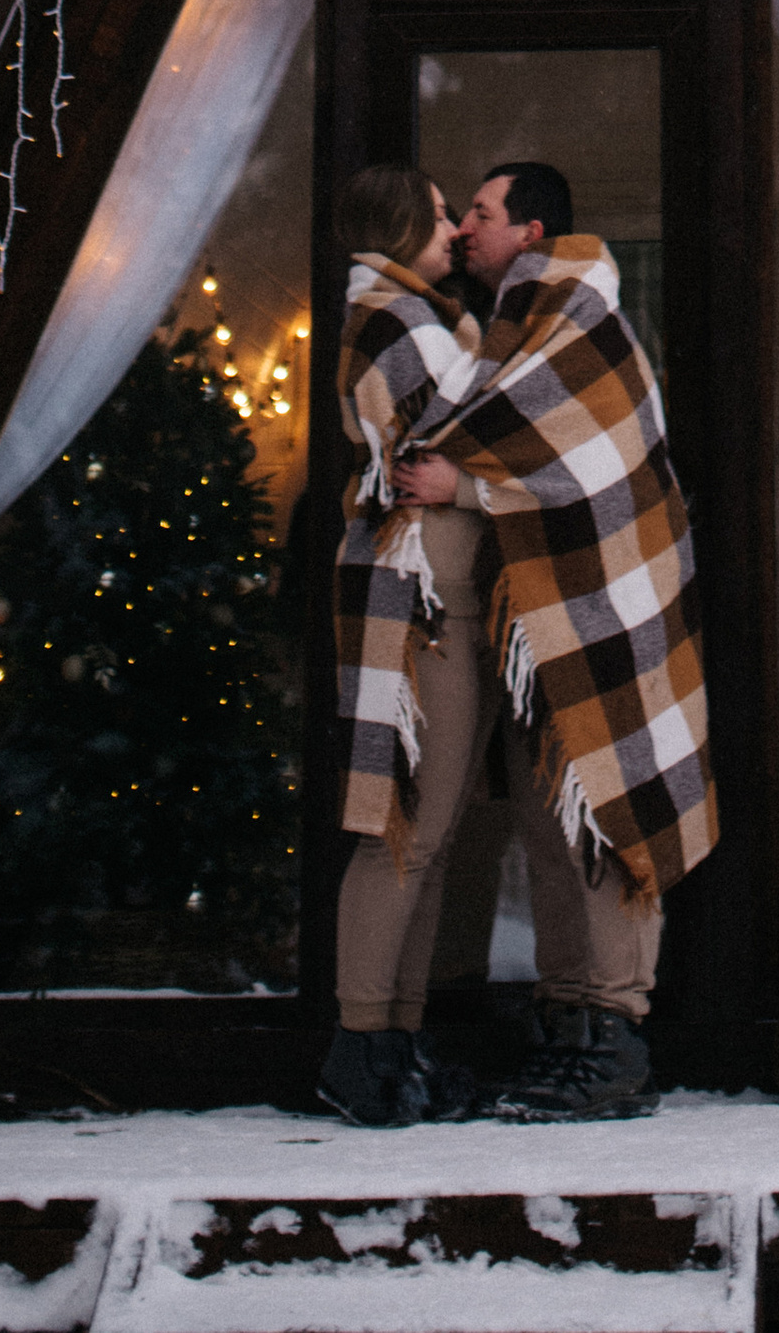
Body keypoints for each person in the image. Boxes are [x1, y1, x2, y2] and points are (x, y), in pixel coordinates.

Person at [387, 159, 717, 1121]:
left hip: (605, 607)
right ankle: (571, 1026)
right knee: (554, 822)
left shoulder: (576, 315)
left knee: (609, 817)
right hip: (547, 618)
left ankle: (616, 1042)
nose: (467, 232)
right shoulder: (518, 322)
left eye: (482, 215)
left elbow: (592, 469)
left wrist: (468, 489)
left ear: (529, 231)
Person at [322, 160, 491, 1127]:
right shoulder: (397, 321)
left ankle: (395, 1038)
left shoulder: (420, 316)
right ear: (397, 227)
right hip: (416, 593)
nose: (452, 230)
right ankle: (360, 1044)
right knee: (404, 831)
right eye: (437, 215)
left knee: (425, 835)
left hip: (439, 591)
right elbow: (473, 434)